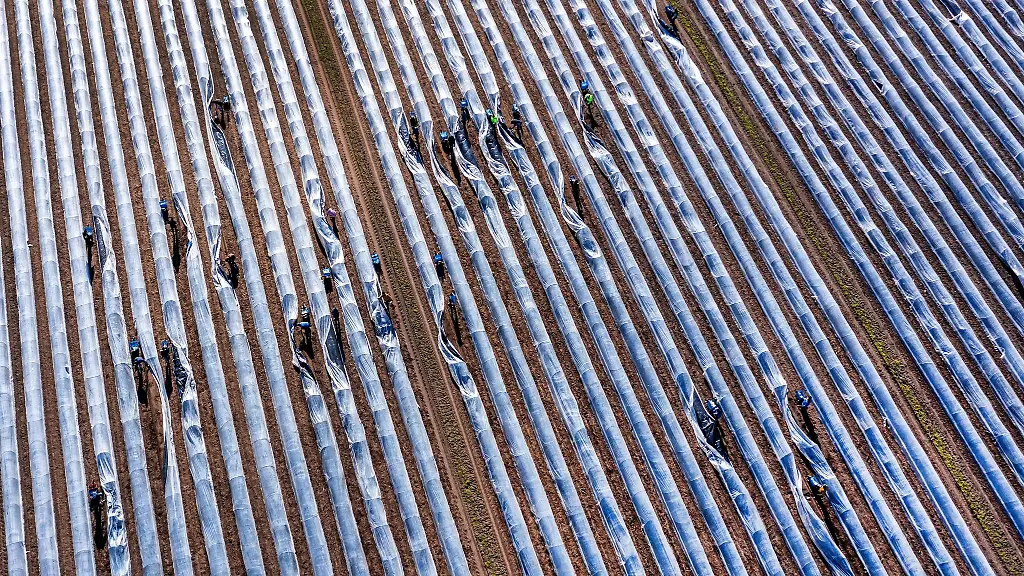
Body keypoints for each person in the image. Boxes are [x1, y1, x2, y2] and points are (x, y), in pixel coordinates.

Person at [88, 483, 107, 549]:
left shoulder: (92, 494)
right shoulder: (93, 494)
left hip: (96, 506)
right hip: (96, 506)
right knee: (98, 519)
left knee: (98, 520)